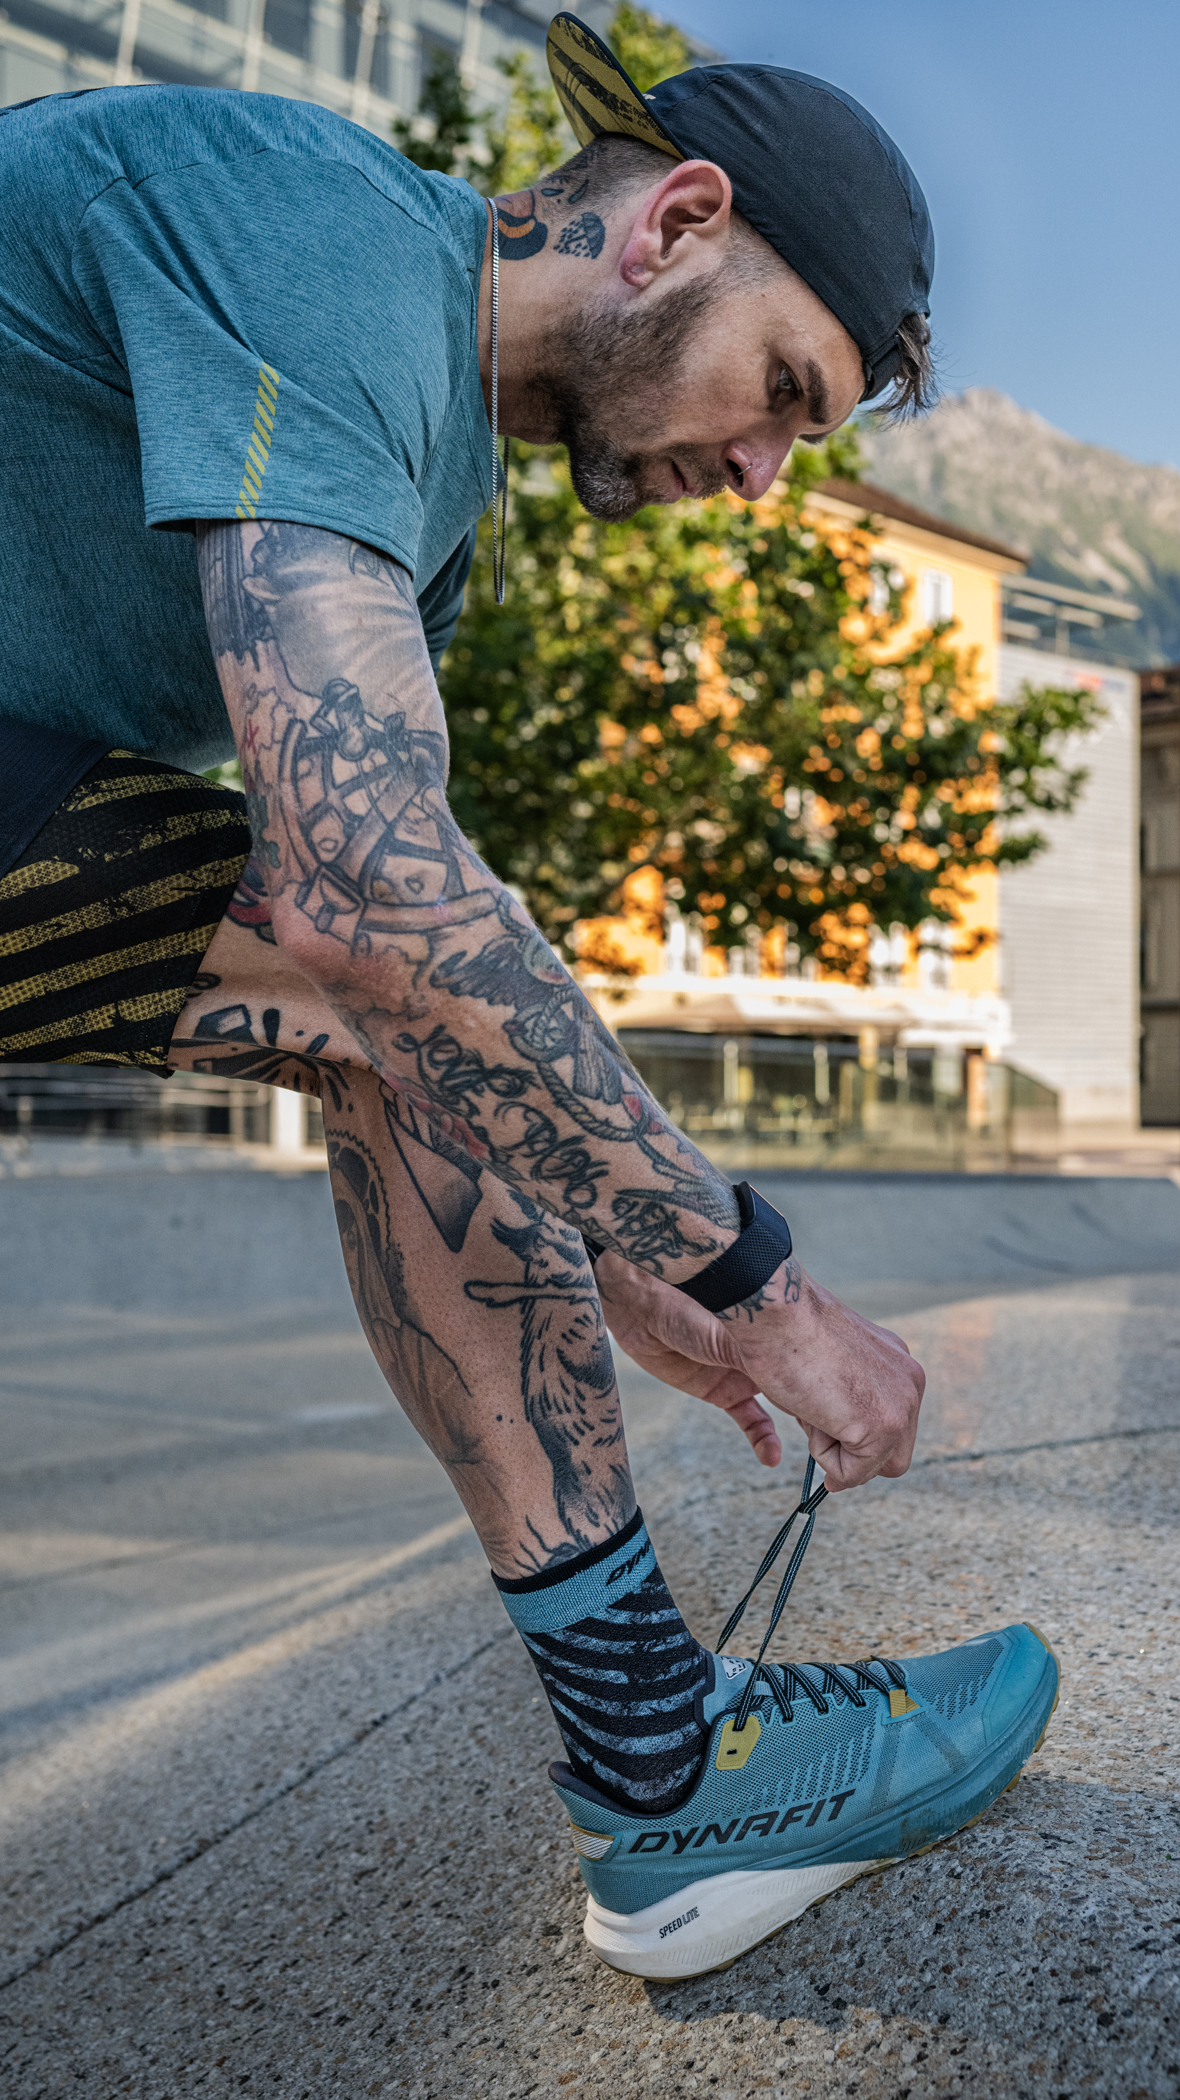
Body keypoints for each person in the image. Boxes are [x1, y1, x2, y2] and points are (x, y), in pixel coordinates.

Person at [0, 15, 1058, 1977]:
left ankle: (658, 1768)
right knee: (392, 976)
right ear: (676, 223)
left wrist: (620, 1246)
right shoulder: (317, 231)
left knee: (418, 1036)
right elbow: (370, 899)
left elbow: (428, 970)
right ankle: (662, 1765)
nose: (761, 475)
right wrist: (758, 1282)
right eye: (783, 393)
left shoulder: (428, 511)